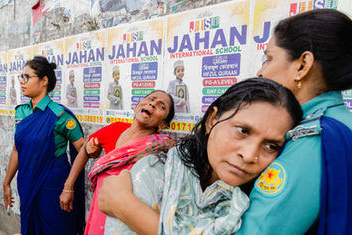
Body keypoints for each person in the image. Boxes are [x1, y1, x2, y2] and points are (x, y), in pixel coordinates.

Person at [99, 77, 303, 235]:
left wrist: (125, 206)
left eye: (270, 145)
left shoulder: (262, 198)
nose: (249, 155)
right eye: (242, 131)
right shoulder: (156, 170)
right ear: (212, 120)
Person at [235, 9, 352, 235]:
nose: (260, 72)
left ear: (302, 65)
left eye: (269, 59)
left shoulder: (313, 139)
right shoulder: (341, 123)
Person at [59, 90, 176, 235]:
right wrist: (68, 186)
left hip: (131, 217)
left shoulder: (161, 149)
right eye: (150, 99)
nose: (152, 104)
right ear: (138, 106)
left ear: (163, 124)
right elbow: (85, 149)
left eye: (161, 106)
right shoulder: (116, 128)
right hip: (101, 209)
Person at [2, 56, 85, 235]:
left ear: (44, 81)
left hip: (53, 185)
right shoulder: (21, 112)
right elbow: (18, 149)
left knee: (55, 228)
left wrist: (69, 185)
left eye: (27, 77)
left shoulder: (60, 115)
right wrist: (7, 182)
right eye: (21, 78)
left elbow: (83, 151)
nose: (22, 82)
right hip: (27, 181)